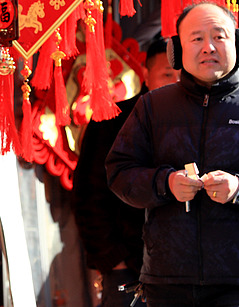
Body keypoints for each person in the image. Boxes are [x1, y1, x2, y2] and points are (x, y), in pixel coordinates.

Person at [106, 2, 239, 307]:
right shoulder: (152, 108)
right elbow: (119, 172)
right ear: (176, 50)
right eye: (196, 39)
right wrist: (166, 184)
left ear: (238, 44)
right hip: (167, 277)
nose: (208, 47)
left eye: (219, 36)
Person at [72, 37, 180, 307]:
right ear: (146, 74)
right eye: (167, 74)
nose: (176, 83)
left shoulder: (200, 123)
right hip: (129, 266)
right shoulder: (112, 122)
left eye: (183, 75)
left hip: (184, 270)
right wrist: (113, 260)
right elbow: (88, 196)